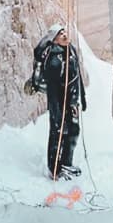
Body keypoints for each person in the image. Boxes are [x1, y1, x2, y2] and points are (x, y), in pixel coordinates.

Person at [39, 22, 87, 179]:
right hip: (59, 103)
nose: (65, 35)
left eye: (65, 32)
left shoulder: (70, 50)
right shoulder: (54, 61)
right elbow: (53, 91)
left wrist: (82, 99)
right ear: (54, 40)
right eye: (60, 34)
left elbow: (76, 76)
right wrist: (56, 112)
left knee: (73, 130)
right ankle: (54, 168)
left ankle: (66, 162)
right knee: (57, 132)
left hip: (71, 102)